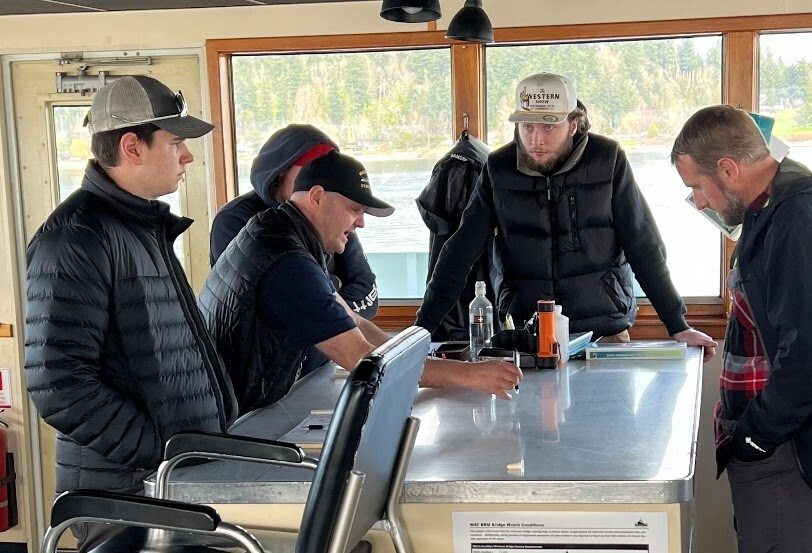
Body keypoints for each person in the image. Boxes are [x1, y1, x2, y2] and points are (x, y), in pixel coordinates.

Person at [24, 76, 238, 552]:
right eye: (177, 142)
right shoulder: (77, 238)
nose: (187, 157)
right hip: (125, 493)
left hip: (167, 482)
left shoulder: (141, 226)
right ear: (131, 146)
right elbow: (58, 384)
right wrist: (158, 448)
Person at [416, 72, 716, 358]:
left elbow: (644, 247)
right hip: (527, 335)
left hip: (604, 331)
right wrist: (421, 332)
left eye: (549, 127)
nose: (536, 140)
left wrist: (677, 324)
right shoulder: (498, 169)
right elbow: (458, 253)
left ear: (574, 124)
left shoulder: (608, 160)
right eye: (528, 127)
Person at [200, 151, 522, 414]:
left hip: (237, 411)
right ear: (316, 197)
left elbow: (351, 318)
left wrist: (418, 356)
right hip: (230, 426)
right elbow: (366, 362)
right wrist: (471, 375)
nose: (361, 222)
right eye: (354, 209)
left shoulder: (279, 231)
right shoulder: (287, 262)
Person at [671, 105, 812, 553]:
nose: (699, 201)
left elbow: (806, 352)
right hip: (769, 445)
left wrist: (754, 435)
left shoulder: (794, 219)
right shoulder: (766, 210)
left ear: (728, 169)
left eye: (697, 186)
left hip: (782, 451)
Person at [210, 124, 378, 374]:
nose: (319, 175)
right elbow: (288, 297)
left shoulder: (334, 216)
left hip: (318, 369)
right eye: (310, 168)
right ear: (280, 172)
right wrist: (326, 304)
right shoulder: (238, 220)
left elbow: (367, 289)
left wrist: (326, 315)